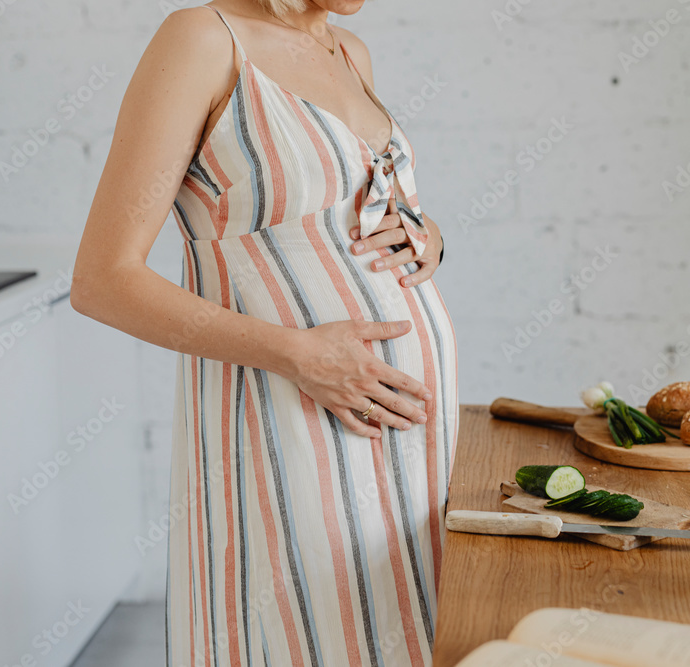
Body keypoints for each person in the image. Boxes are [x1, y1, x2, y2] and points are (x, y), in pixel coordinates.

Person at [70, 0, 458, 664]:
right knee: (309, 631)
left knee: (413, 628)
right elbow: (102, 279)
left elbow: (361, 210)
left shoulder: (348, 51)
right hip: (291, 411)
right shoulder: (202, 40)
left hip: (411, 426)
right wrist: (298, 353)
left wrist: (430, 239)